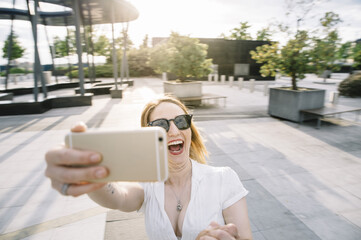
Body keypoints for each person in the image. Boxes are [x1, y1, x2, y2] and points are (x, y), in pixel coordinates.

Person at [45, 96, 252, 240]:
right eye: (161, 125)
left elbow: (243, 237)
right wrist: (91, 175)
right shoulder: (147, 184)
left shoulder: (224, 178)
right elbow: (118, 197)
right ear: (150, 137)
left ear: (190, 129)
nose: (173, 130)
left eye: (181, 121)